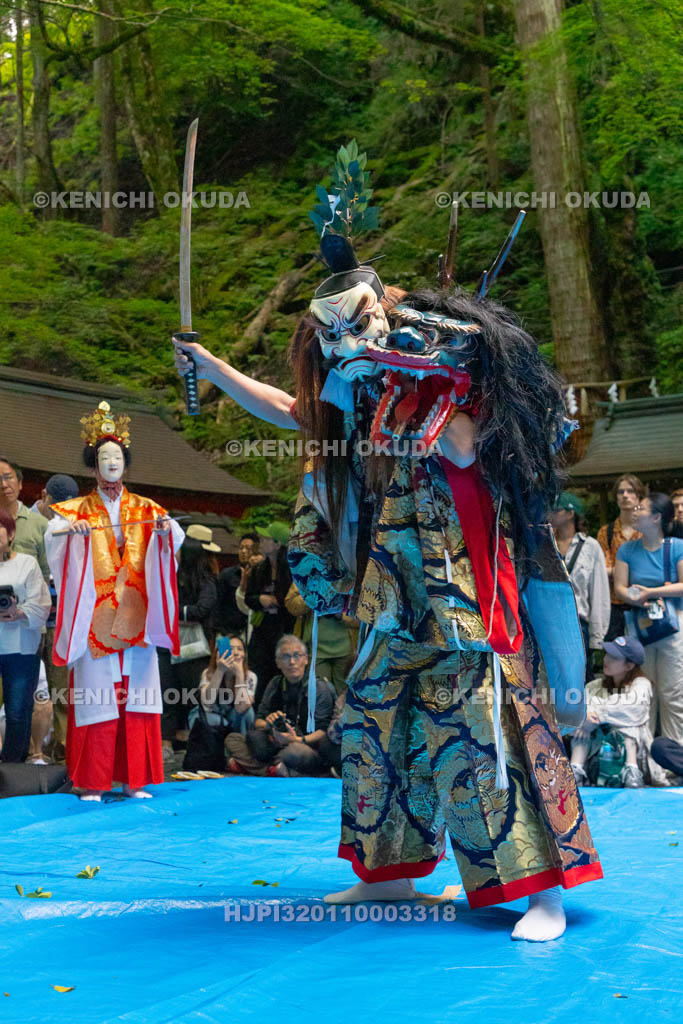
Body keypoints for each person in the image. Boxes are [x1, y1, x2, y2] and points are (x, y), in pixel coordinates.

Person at [174, 146, 602, 941]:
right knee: (372, 726)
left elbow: (469, 450)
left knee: (481, 733)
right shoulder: (362, 393)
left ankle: (540, 890)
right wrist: (214, 366)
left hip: (466, 595)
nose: (351, 339)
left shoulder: (453, 375)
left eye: (362, 321)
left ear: (387, 309)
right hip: (389, 597)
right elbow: (289, 408)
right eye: (336, 331)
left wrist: (404, 368)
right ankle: (390, 875)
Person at [44, 401, 184, 800]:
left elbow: (175, 538)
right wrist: (74, 537)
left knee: (136, 694)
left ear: (125, 462)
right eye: (104, 456)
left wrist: (161, 533)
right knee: (98, 696)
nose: (111, 462)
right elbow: (53, 536)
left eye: (117, 456)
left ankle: (134, 778)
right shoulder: (75, 511)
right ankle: (93, 779)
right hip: (96, 618)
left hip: (134, 614)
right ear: (93, 464)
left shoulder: (145, 508)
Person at [614, 493, 683, 745]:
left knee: (672, 692)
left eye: (640, 508)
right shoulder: (626, 549)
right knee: (643, 692)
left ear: (656, 518)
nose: (634, 510)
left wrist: (651, 592)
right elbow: (620, 587)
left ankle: (675, 758)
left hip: (673, 627)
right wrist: (635, 597)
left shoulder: (676, 547)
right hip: (639, 628)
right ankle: (644, 758)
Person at [225, 634, 335, 777]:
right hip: (275, 743)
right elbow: (258, 721)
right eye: (285, 657)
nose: (292, 662)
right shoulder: (275, 683)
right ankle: (276, 770)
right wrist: (270, 724)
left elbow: (324, 732)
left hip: (305, 746)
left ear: (306, 660)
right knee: (233, 739)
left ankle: (259, 767)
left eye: (297, 655)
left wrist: (297, 739)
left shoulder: (319, 687)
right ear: (277, 662)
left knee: (293, 752)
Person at [569, 636, 662, 788]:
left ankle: (631, 771)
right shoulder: (595, 685)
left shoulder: (642, 684)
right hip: (597, 750)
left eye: (614, 657)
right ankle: (576, 769)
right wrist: (586, 718)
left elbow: (632, 709)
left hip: (632, 751)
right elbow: (580, 706)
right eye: (607, 654)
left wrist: (598, 715)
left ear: (629, 665)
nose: (606, 659)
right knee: (583, 724)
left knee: (628, 722)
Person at [158, 529, 217, 760]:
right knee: (167, 693)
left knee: (192, 695)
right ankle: (165, 742)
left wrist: (174, 612)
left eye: (180, 550)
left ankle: (196, 741)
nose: (176, 553)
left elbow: (202, 609)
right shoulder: (170, 576)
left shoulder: (206, 582)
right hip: (167, 645)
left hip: (194, 649)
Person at [34, 474, 80, 763]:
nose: (62, 508)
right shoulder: (25, 523)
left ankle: (63, 748)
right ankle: (29, 749)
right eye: (58, 502)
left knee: (62, 688)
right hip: (26, 619)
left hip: (60, 620)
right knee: (23, 688)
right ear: (44, 496)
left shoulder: (75, 524)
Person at [0, 508, 51, 762]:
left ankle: (11, 770)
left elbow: (42, 603)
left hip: (21, 649)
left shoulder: (27, 563)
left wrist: (18, 612)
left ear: (10, 534)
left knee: (18, 712)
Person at [550, 492, 610, 677]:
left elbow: (599, 592)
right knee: (549, 681)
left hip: (578, 625)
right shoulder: (543, 544)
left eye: (555, 509)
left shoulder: (590, 546)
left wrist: (597, 637)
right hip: (548, 623)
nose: (549, 514)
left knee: (578, 681)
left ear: (570, 514)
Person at [244, 522, 294, 706]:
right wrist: (260, 599)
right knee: (258, 674)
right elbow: (248, 598)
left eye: (266, 539)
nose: (261, 542)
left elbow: (295, 604)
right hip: (261, 631)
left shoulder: (291, 571)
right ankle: (259, 713)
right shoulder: (259, 569)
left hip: (283, 630)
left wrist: (278, 601)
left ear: (277, 545)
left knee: (281, 675)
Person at [285, 581, 353, 696]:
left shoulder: (349, 574)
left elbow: (366, 611)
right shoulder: (307, 571)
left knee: (345, 696)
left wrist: (340, 612)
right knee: (319, 693)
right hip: (315, 650)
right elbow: (292, 605)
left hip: (346, 650)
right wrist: (315, 596)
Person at [597, 474, 644, 640]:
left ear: (639, 496)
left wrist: (618, 572)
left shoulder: (648, 530)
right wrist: (627, 572)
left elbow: (650, 568)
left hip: (643, 601)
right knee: (615, 655)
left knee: (645, 656)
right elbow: (603, 570)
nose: (625, 495)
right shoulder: (606, 532)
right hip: (613, 605)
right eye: (620, 491)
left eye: (630, 491)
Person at [0, 458, 49, 580]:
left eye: (8, 477)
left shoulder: (40, 524)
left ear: (20, 483)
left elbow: (46, 573)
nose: (4, 485)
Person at [214, 533, 259, 639]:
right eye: (241, 548)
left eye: (248, 548)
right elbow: (217, 605)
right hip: (226, 632)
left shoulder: (261, 577)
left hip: (251, 632)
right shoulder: (227, 575)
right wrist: (221, 631)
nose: (243, 551)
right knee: (225, 655)